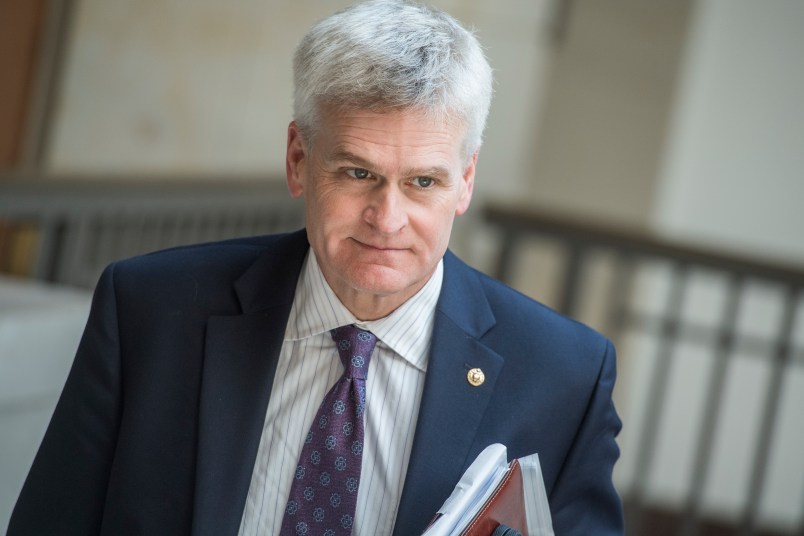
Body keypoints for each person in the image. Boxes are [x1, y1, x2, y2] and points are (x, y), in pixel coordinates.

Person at [9, 1, 623, 534]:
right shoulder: (149, 309)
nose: (387, 218)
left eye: (423, 182)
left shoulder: (563, 377)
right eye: (358, 173)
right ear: (299, 159)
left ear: (464, 182)